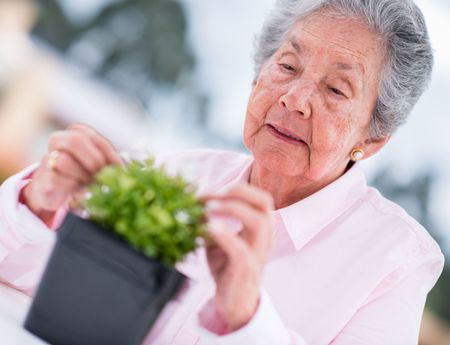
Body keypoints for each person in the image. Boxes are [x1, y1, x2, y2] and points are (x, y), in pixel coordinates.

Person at [0, 0, 444, 344]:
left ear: (372, 138)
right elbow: (23, 285)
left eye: (335, 89)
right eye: (287, 66)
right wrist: (39, 205)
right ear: (256, 79)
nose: (295, 98)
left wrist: (246, 317)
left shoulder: (397, 258)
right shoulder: (173, 178)